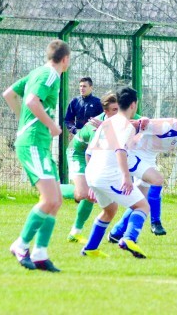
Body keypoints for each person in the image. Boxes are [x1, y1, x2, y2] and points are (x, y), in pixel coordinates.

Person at [4, 39, 71, 272]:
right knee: (49, 199)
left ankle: (40, 253)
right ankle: (20, 244)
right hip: (33, 142)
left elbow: (9, 94)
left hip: (36, 142)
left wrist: (24, 120)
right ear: (65, 60)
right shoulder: (51, 75)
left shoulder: (36, 72)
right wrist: (51, 124)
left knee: (57, 201)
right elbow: (32, 100)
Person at [108, 104, 177, 239]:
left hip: (149, 158)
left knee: (141, 200)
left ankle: (116, 232)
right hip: (134, 153)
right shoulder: (166, 125)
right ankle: (156, 222)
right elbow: (134, 125)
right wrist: (105, 126)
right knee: (158, 180)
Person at [82, 86, 150, 258]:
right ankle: (129, 238)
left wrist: (92, 182)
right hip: (108, 175)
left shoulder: (106, 123)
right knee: (142, 206)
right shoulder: (126, 126)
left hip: (93, 173)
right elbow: (120, 150)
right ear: (134, 104)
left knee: (110, 210)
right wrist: (126, 177)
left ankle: (90, 249)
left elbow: (88, 153)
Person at [65, 92, 119, 244]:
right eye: (114, 110)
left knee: (90, 195)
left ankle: (75, 233)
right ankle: (51, 189)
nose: (118, 113)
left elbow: (138, 122)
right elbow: (91, 155)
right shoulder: (94, 127)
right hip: (79, 154)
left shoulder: (120, 118)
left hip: (93, 157)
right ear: (105, 111)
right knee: (84, 192)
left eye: (119, 109)